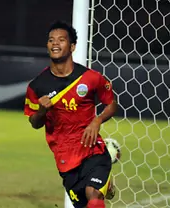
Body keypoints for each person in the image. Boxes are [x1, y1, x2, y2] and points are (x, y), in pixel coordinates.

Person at [24, 20, 117, 208]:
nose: (55, 43)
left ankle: (101, 184)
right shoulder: (37, 86)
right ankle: (105, 185)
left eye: (61, 40)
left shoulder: (90, 77)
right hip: (65, 159)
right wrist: (42, 111)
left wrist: (97, 121)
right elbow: (34, 123)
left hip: (92, 149)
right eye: (51, 40)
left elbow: (111, 104)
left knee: (94, 195)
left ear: (72, 46)